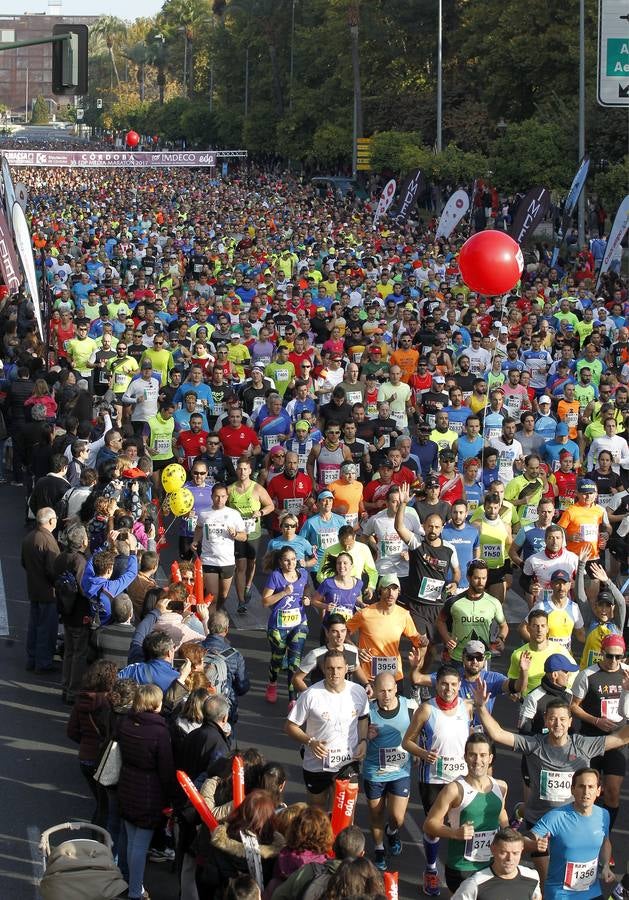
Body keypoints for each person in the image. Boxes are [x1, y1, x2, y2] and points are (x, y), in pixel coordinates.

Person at [471, 684, 629, 881]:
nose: (557, 724)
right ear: (546, 720)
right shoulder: (534, 744)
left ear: (570, 722)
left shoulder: (583, 745)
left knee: (567, 878)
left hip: (571, 824)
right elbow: (498, 734)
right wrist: (480, 707)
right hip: (540, 824)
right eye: (553, 718)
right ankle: (523, 811)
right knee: (547, 881)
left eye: (562, 719)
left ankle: (520, 810)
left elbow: (622, 737)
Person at [402, 665, 473, 896]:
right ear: (436, 685)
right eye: (444, 684)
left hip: (461, 777)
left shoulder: (466, 707)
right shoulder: (426, 710)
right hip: (432, 778)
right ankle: (431, 869)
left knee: (461, 826)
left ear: (460, 686)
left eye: (453, 684)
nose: (449, 689)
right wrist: (423, 754)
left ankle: (461, 869)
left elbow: (469, 737)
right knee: (434, 826)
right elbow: (407, 742)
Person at [285, 649, 369, 812]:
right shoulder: (311, 695)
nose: (334, 673)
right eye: (330, 668)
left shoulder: (357, 692)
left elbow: (363, 718)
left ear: (346, 668)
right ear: (324, 669)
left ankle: (342, 837)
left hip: (347, 762)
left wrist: (363, 741)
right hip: (317, 764)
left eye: (339, 668)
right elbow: (290, 726)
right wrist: (311, 742)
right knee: (317, 810)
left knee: (345, 810)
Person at [424, 733, 508, 893]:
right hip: (462, 868)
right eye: (473, 755)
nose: (478, 760)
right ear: (465, 757)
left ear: (490, 758)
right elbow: (429, 824)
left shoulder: (501, 787)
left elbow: (500, 813)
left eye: (483, 755)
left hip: (492, 865)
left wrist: (509, 832)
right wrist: (455, 833)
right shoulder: (454, 789)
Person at [117, 683, 176, 900]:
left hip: (127, 783)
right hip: (149, 793)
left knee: (131, 840)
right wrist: (171, 797)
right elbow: (166, 769)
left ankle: (128, 883)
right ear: (155, 704)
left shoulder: (125, 723)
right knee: (140, 845)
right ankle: (135, 891)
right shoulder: (160, 732)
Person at [394, 482, 460, 668]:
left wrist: (455, 583)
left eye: (437, 527)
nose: (433, 530)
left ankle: (421, 677)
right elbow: (399, 528)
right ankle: (415, 684)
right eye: (430, 526)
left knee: (433, 650)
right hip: (418, 606)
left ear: (442, 528)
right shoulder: (417, 544)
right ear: (424, 526)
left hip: (438, 607)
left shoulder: (449, 549)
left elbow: (457, 572)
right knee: (421, 644)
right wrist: (403, 504)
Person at [527, 768, 615, 900]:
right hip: (561, 894)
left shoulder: (603, 815)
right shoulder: (556, 817)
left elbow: (605, 842)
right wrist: (534, 844)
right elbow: (524, 841)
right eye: (581, 786)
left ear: (598, 791)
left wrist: (606, 865)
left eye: (591, 787)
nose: (586, 792)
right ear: (572, 789)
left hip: (592, 892)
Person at [570, 633, 627, 833]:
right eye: (609, 656)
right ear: (601, 653)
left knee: (612, 791)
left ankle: (605, 836)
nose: (614, 661)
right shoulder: (587, 675)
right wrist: (595, 720)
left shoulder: (627, 673)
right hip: (591, 739)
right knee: (587, 791)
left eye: (618, 657)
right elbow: (574, 707)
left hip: (618, 741)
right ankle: (585, 829)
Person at [363, 672, 414, 872]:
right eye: (382, 691)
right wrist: (365, 735)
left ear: (396, 689)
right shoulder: (367, 710)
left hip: (400, 771)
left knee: (397, 818)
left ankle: (392, 831)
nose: (386, 695)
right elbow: (354, 738)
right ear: (374, 690)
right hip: (375, 772)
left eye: (390, 690)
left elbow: (420, 729)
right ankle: (379, 849)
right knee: (376, 815)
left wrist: (418, 749)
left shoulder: (409, 706)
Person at [197, 790, 284, 893]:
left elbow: (208, 883)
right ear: (270, 817)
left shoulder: (223, 840)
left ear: (242, 810)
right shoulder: (275, 850)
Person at [346, 573, 423, 687]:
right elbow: (343, 634)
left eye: (394, 589)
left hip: (394, 675)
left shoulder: (404, 614)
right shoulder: (365, 614)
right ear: (380, 590)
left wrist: (422, 640)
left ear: (399, 592)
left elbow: (416, 638)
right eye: (387, 588)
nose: (391, 593)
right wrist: (357, 650)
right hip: (369, 677)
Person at [66, 659, 118, 828]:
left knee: (100, 803)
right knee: (105, 806)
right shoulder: (109, 702)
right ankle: (99, 843)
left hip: (85, 758)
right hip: (102, 759)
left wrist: (86, 742)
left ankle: (96, 837)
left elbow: (72, 731)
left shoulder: (81, 700)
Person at [262, 546, 311, 708]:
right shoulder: (276, 576)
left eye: (293, 559)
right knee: (277, 658)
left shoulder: (303, 573)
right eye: (286, 560)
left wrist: (307, 598)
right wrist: (283, 593)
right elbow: (265, 601)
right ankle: (272, 683)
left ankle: (292, 698)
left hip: (299, 623)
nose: (290, 563)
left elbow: (307, 589)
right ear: (280, 562)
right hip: (278, 626)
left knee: (294, 661)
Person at [227, 457, 275, 614]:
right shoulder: (230, 489)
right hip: (238, 534)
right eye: (239, 469)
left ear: (250, 471)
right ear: (236, 470)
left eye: (245, 469)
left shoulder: (257, 489)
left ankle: (248, 586)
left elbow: (270, 506)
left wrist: (260, 512)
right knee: (240, 566)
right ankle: (241, 600)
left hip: (253, 532)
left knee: (251, 563)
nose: (242, 472)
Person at [438, 560, 508, 663]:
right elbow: (440, 621)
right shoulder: (453, 602)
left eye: (484, 578)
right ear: (468, 577)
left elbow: (504, 626)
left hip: (481, 659)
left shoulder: (494, 603)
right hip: (458, 658)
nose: (481, 582)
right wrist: (447, 638)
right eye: (476, 578)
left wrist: (501, 638)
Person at [192, 482, 247, 606]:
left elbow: (244, 537)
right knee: (212, 596)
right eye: (217, 496)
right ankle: (210, 622)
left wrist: (235, 535)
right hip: (208, 559)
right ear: (211, 497)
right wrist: (195, 540)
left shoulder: (234, 514)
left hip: (227, 561)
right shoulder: (204, 513)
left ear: (227, 497)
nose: (220, 499)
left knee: (223, 595)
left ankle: (218, 612)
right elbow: (199, 527)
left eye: (223, 496)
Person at [450, 827, 541, 900]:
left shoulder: (533, 877)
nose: (510, 858)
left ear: (521, 851)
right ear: (493, 850)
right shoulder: (475, 884)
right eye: (504, 852)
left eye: (515, 853)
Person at [21, 506, 61, 673]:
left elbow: (23, 563)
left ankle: (32, 659)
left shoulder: (29, 537)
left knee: (34, 625)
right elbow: (53, 570)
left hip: (34, 588)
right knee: (47, 628)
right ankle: (43, 663)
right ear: (51, 521)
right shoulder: (48, 540)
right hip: (48, 591)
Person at [291, 613, 366, 693]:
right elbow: (296, 679)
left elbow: (357, 668)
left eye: (343, 631)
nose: (340, 635)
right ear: (327, 633)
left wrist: (366, 684)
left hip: (344, 700)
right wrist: (310, 697)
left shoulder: (352, 651)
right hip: (322, 701)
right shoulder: (316, 654)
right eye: (335, 631)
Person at [201, 609, 251, 724]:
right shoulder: (234, 655)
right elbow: (242, 687)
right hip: (223, 706)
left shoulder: (196, 649)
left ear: (208, 626)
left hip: (199, 703)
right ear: (226, 630)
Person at [311, 551, 364, 627]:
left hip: (349, 625)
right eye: (339, 563)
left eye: (345, 563)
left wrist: (361, 604)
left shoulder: (358, 583)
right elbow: (313, 601)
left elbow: (355, 599)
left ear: (351, 566)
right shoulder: (328, 583)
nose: (341, 566)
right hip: (331, 626)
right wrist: (325, 606)